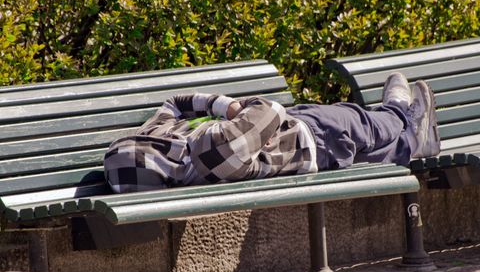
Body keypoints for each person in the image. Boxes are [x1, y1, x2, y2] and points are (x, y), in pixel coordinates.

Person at [104, 72, 440, 193]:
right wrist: (233, 108)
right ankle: (400, 114)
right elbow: (270, 110)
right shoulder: (211, 151)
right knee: (371, 124)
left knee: (383, 152)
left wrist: (220, 107)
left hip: (307, 151)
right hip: (314, 135)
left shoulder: (171, 152)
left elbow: (174, 103)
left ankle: (414, 141)